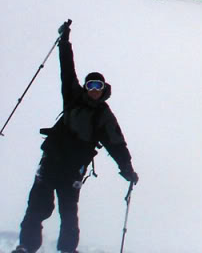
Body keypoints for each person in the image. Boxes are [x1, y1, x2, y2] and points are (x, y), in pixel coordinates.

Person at [13, 20, 138, 253]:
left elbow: (116, 143)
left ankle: (68, 250)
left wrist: (127, 169)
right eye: (90, 84)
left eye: (97, 85)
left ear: (103, 89)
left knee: (69, 213)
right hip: (51, 160)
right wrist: (65, 41)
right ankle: (26, 247)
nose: (93, 89)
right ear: (85, 86)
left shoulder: (104, 115)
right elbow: (66, 68)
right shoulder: (72, 97)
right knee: (37, 207)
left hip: (73, 169)